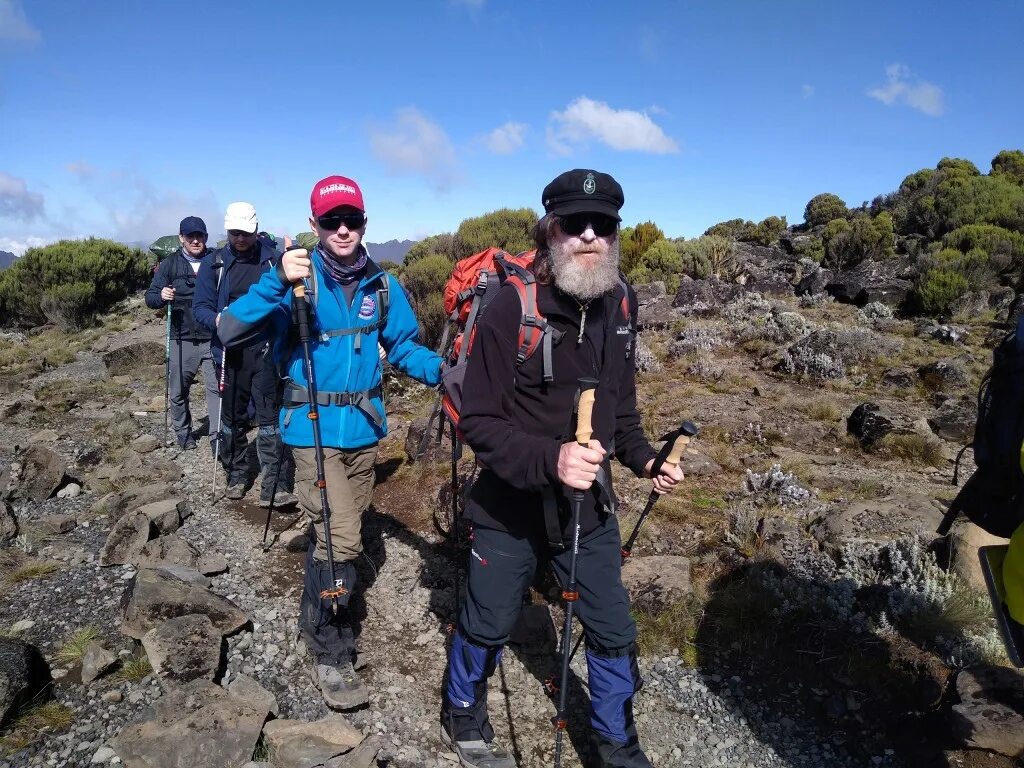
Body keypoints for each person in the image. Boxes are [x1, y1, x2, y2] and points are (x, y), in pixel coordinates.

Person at [438, 170, 685, 768]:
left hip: (588, 504)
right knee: (488, 618)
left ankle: (616, 742)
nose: (590, 236)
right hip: (509, 504)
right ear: (551, 229)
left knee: (611, 627)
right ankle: (462, 707)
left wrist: (646, 458)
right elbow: (480, 423)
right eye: (575, 224)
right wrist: (553, 458)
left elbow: (620, 414)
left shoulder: (620, 304)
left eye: (603, 225)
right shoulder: (508, 309)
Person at [216, 175, 443, 709]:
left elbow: (405, 346)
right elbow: (227, 329)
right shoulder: (295, 280)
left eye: (352, 220)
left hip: (363, 429)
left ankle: (322, 598)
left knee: (344, 528)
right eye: (331, 221)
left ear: (365, 222)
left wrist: (448, 372)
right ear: (314, 225)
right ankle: (329, 649)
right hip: (310, 430)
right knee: (341, 535)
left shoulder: (383, 286)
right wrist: (274, 279)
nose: (343, 230)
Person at [193, 202, 296, 505]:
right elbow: (200, 307)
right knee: (231, 418)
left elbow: (288, 300)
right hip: (228, 350)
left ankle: (275, 485)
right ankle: (236, 475)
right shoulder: (215, 265)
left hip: (266, 350)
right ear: (227, 231)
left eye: (246, 233)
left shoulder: (272, 261)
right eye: (235, 233)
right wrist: (218, 321)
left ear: (255, 229)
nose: (240, 239)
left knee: (269, 419)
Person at [144, 216, 218, 450]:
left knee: (216, 390)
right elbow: (151, 298)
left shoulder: (216, 260)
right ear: (181, 238)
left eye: (200, 236)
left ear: (206, 237)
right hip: (181, 337)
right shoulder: (170, 264)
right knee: (177, 391)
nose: (196, 241)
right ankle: (183, 434)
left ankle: (218, 436)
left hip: (212, 336)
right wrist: (162, 296)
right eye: (190, 236)